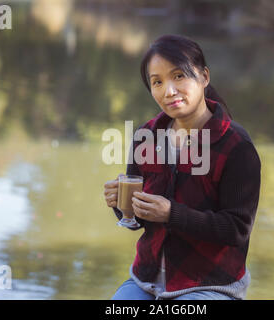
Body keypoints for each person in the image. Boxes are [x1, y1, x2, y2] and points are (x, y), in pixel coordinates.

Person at [103, 34, 261, 300]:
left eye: (179, 76)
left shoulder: (236, 146)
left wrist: (171, 213)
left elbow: (237, 229)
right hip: (146, 280)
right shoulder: (146, 136)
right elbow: (137, 221)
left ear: (204, 77)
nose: (169, 91)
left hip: (209, 284)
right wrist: (121, 206)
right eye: (157, 82)